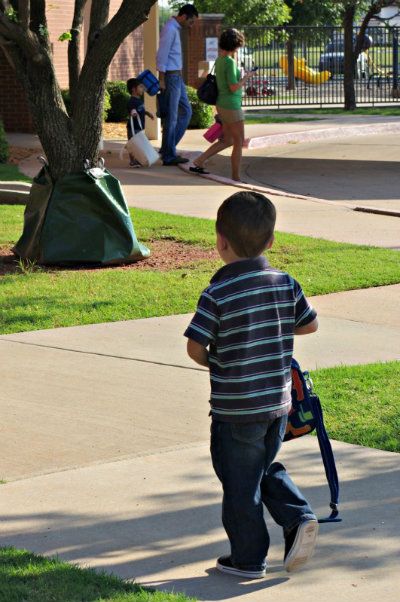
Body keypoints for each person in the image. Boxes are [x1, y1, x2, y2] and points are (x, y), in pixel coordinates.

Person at [184, 191, 319, 579]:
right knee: (259, 467)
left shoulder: (218, 292)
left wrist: (214, 360)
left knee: (238, 482)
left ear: (220, 241)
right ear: (271, 241)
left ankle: (247, 559)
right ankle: (297, 517)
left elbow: (195, 346)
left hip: (236, 409)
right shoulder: (285, 282)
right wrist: (271, 329)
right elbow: (310, 324)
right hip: (277, 405)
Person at [189, 29, 253, 182]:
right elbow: (233, 87)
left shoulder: (219, 60)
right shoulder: (229, 62)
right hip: (231, 106)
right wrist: (246, 77)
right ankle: (236, 177)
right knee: (238, 141)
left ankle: (199, 161)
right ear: (235, 45)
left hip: (222, 104)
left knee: (227, 140)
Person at [156, 4, 198, 166]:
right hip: (170, 77)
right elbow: (162, 55)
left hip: (177, 77)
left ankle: (168, 149)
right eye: (191, 21)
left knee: (186, 111)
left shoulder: (175, 29)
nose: (191, 25)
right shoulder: (170, 29)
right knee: (172, 117)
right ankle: (168, 155)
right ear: (183, 16)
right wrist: (161, 79)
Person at [126, 77, 155, 167]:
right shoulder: (132, 101)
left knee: (138, 144)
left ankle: (137, 160)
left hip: (139, 126)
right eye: (141, 87)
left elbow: (140, 110)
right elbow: (132, 109)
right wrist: (133, 112)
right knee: (133, 144)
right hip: (133, 127)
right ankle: (132, 161)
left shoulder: (139, 100)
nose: (143, 89)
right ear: (134, 89)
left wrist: (147, 113)